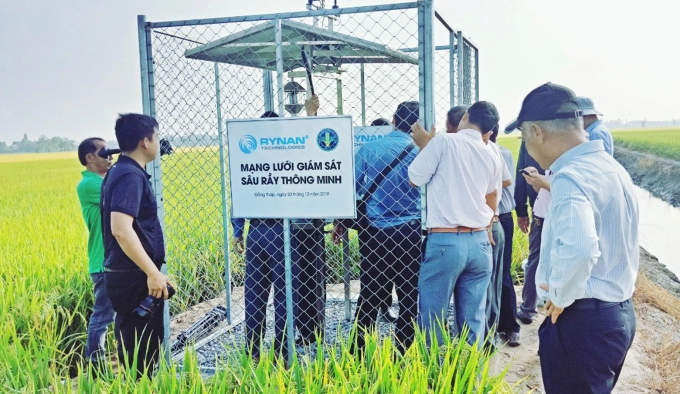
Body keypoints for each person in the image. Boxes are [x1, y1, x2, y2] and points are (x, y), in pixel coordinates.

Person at [506, 83, 638, 393]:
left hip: (583, 320)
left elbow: (580, 250)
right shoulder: (610, 167)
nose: (528, 146)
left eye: (524, 137)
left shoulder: (570, 177)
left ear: (537, 132)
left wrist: (561, 297)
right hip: (617, 313)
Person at [231, 97, 320, 360]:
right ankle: (282, 351)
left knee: (255, 294)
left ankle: (253, 351)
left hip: (255, 231)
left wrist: (238, 231)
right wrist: (311, 115)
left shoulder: (249, 154)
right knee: (285, 293)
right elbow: (309, 152)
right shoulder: (285, 153)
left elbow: (241, 193)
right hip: (283, 231)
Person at [409, 101, 501, 347]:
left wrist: (424, 146)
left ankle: (435, 378)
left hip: (445, 241)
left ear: (466, 116)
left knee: (433, 318)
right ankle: (470, 379)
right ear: (489, 130)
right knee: (473, 320)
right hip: (480, 242)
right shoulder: (491, 153)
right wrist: (489, 225)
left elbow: (415, 178)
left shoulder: (443, 141)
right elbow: (492, 196)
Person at [332, 101, 422, 353]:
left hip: (376, 232)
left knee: (371, 291)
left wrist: (340, 222)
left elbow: (349, 189)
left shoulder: (369, 149)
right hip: (411, 231)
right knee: (409, 291)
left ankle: (360, 348)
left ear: (394, 120)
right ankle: (404, 348)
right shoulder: (421, 152)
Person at [101, 113, 171, 377]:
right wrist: (152, 273)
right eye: (156, 135)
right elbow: (120, 229)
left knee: (139, 348)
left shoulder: (122, 170)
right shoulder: (129, 175)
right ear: (145, 141)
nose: (158, 141)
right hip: (133, 276)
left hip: (130, 273)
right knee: (141, 353)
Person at [76, 138, 116, 369]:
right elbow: (119, 188)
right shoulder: (89, 184)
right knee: (102, 316)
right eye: (104, 152)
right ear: (89, 157)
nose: (109, 156)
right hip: (103, 262)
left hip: (110, 260)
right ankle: (95, 366)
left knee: (114, 314)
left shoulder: (100, 180)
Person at [481, 124, 512, 348]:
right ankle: (491, 331)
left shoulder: (494, 152)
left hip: (494, 220)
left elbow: (502, 185)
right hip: (494, 219)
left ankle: (501, 329)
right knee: (493, 280)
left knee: (495, 279)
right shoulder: (494, 151)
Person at [492, 131, 521, 347]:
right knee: (493, 273)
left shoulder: (498, 153)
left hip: (498, 217)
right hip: (492, 218)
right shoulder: (504, 152)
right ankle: (502, 326)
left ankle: (509, 326)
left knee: (501, 273)